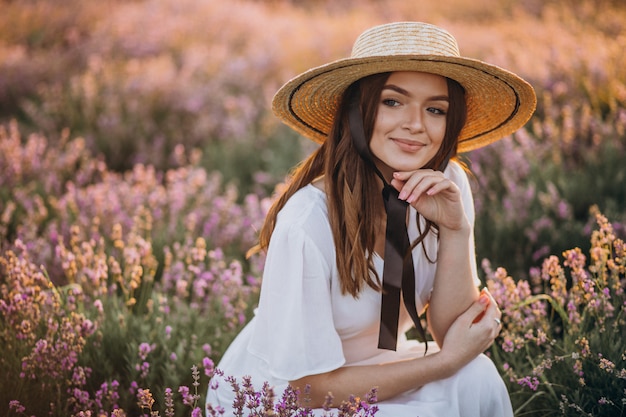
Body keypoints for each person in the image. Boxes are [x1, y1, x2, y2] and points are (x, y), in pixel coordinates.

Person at [206, 21, 536, 416]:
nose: (416, 123)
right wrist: (441, 364)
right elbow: (309, 388)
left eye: (435, 109)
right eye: (392, 101)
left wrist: (455, 227)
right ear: (357, 111)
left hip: (370, 371)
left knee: (478, 377)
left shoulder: (447, 184)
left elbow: (452, 336)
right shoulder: (307, 222)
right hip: (279, 396)